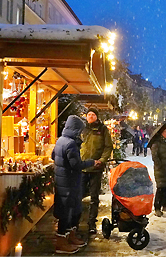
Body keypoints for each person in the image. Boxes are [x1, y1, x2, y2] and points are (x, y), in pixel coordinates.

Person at [51, 115, 101, 254]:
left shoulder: (61, 140)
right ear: (75, 129)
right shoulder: (70, 144)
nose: (81, 133)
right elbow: (76, 165)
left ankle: (69, 237)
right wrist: (92, 162)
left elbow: (53, 156)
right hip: (69, 182)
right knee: (67, 213)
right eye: (79, 130)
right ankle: (61, 244)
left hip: (63, 181)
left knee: (68, 211)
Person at [79, 109, 112, 235]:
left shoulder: (102, 129)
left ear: (97, 117)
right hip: (82, 167)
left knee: (94, 197)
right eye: (89, 115)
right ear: (86, 117)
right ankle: (77, 221)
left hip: (95, 168)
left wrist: (102, 160)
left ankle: (91, 223)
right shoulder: (82, 129)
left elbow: (108, 146)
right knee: (79, 196)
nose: (91, 116)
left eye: (93, 115)